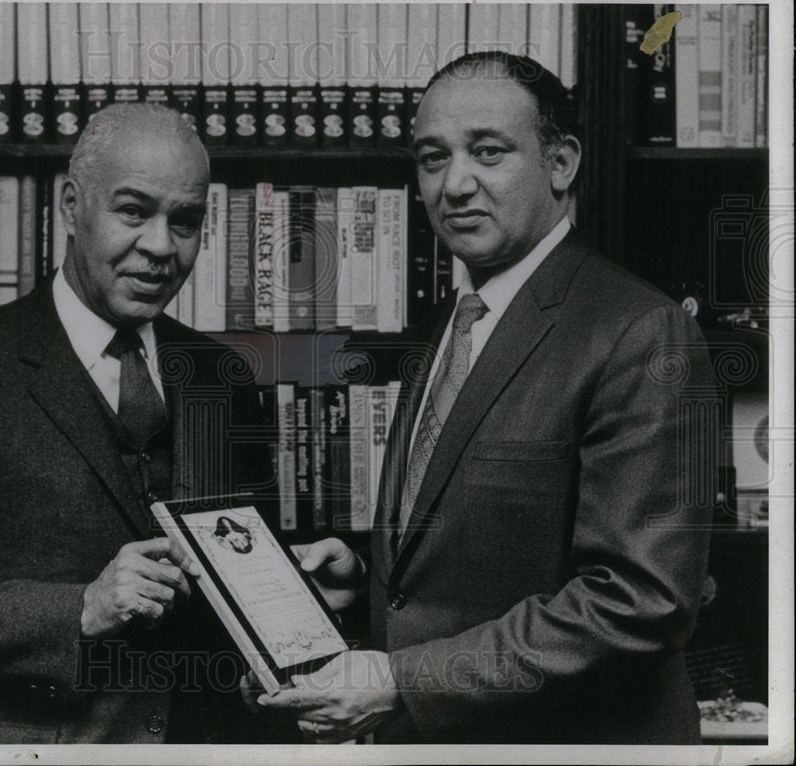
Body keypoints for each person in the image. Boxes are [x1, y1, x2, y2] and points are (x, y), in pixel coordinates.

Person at [256, 52, 716, 744]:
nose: (454, 184)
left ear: (561, 164)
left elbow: (639, 600)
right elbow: (464, 547)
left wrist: (403, 679)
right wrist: (365, 579)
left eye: (489, 152)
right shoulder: (453, 321)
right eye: (432, 158)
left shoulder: (641, 331)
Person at [0, 103, 273, 744]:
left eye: (185, 221)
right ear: (71, 205)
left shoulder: (223, 377)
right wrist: (78, 611)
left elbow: (244, 578)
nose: (160, 247)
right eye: (133, 211)